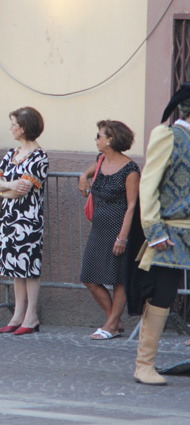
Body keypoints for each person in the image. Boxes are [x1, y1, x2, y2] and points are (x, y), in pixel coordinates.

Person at [133, 83, 190, 385]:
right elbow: (149, 185)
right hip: (171, 230)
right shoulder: (168, 136)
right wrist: (154, 230)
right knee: (164, 295)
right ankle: (144, 365)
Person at [78, 120, 139, 340]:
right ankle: (114, 320)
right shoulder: (101, 159)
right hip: (99, 228)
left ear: (110, 140)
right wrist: (83, 177)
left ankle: (111, 324)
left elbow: (132, 206)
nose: (96, 139)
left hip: (119, 228)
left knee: (118, 279)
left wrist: (122, 238)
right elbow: (89, 171)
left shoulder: (130, 169)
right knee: (89, 277)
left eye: (99, 135)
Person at [0, 107, 48, 335]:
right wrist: (9, 186)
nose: (11, 128)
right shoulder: (12, 154)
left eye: (14, 124)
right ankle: (17, 314)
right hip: (9, 217)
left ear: (24, 128)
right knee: (16, 268)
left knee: (29, 267)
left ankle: (31, 315)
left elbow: (20, 191)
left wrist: (5, 189)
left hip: (28, 219)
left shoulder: (39, 156)